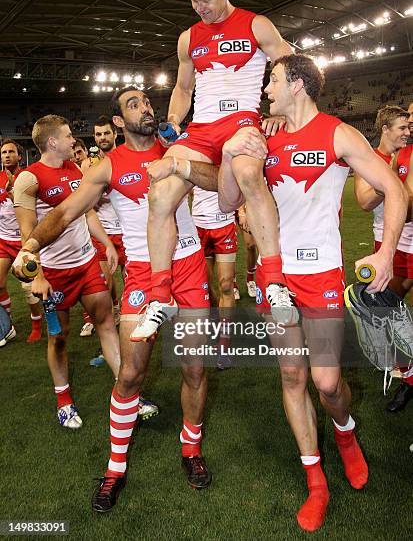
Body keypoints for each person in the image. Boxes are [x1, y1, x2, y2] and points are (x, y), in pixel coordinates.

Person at [11, 87, 243, 512]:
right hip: (142, 275)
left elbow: (221, 183)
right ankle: (115, 467)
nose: (146, 108)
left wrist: (180, 165)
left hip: (190, 270)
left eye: (147, 102)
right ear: (118, 121)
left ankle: (190, 451)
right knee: (132, 373)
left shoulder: (177, 147)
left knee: (193, 368)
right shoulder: (108, 166)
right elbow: (64, 213)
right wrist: (31, 245)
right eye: (133, 105)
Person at [218, 54, 407, 532]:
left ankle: (344, 434)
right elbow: (226, 202)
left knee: (327, 383)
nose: (266, 90)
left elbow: (393, 188)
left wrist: (385, 254)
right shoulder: (262, 137)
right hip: (274, 278)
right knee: (292, 377)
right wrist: (228, 156)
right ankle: (316, 480)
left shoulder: (338, 133)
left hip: (322, 275)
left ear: (298, 84)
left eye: (273, 80)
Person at [135, 0, 294, 340]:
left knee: (248, 176)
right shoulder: (189, 37)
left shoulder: (256, 24)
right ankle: (160, 296)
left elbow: (293, 66)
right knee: (160, 196)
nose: (198, 8)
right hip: (202, 129)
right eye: (192, 0)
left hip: (241, 121)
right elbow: (184, 88)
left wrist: (284, 113)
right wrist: (174, 120)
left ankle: (273, 281)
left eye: (205, 0)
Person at [12, 115, 121, 429]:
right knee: (58, 338)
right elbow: (27, 233)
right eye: (69, 135)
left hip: (86, 263)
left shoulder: (74, 169)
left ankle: (125, 389)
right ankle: (64, 400)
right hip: (54, 273)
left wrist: (106, 245)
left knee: (105, 322)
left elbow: (86, 212)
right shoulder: (29, 179)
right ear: (52, 142)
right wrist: (40, 276)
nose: (74, 140)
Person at [354, 105, 413, 412]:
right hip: (390, 245)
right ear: (385, 129)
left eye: (409, 127)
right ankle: (406, 373)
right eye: (402, 127)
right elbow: (363, 200)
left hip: (408, 242)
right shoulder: (369, 159)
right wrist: (387, 180)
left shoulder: (409, 154)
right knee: (389, 312)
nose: (407, 132)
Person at [80, 116, 126, 339]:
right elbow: (85, 198)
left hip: (127, 230)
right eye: (98, 134)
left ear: (115, 134)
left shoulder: (125, 157)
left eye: (106, 133)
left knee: (131, 278)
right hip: (102, 230)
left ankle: (132, 314)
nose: (102, 138)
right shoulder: (88, 165)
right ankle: (111, 314)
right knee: (104, 280)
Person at [0, 138, 43, 345]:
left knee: (28, 288)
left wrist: (11, 192)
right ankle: (6, 326)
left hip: (23, 240)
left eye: (10, 152)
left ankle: (37, 324)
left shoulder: (28, 177)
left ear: (19, 156)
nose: (6, 155)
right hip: (3, 239)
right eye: (3, 152)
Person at [191, 187, 236, 369]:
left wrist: (242, 209)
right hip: (197, 224)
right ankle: (219, 318)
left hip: (224, 223)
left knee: (226, 285)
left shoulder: (227, 157)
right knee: (205, 286)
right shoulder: (193, 157)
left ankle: (223, 345)